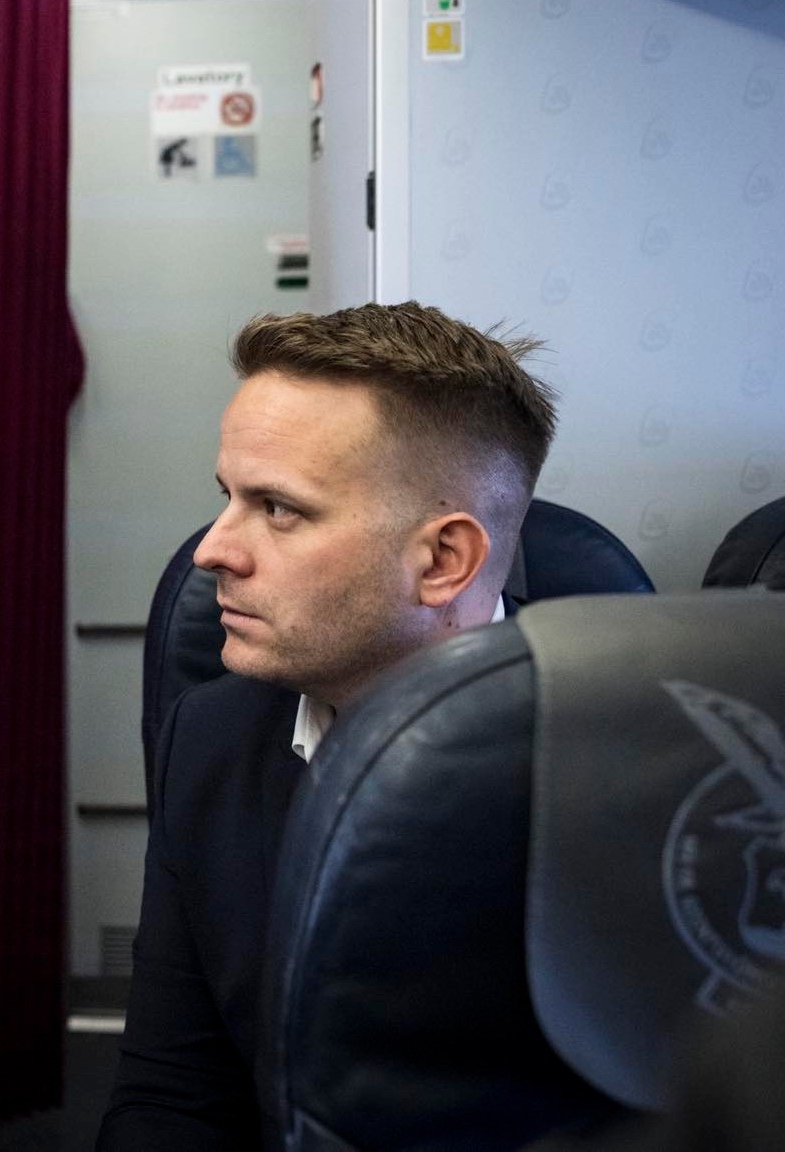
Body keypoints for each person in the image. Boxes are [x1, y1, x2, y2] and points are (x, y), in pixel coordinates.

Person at [94, 302, 559, 1150]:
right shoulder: (209, 738)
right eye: (229, 497)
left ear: (442, 561)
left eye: (278, 509)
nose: (211, 551)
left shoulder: (618, 766)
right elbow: (173, 1096)